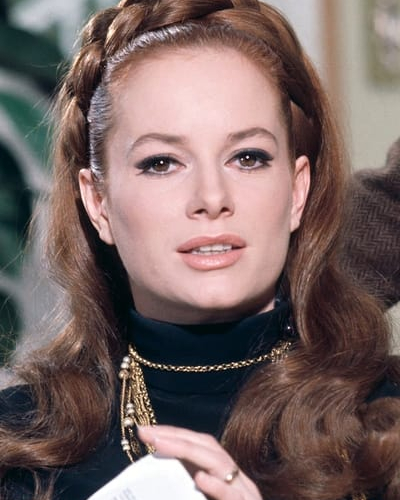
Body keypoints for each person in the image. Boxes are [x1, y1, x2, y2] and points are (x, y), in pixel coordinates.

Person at [0, 1, 399, 499]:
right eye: (162, 163)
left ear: (297, 191)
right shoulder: (21, 448)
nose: (212, 197)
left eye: (247, 157)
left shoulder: (384, 431)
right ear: (98, 202)